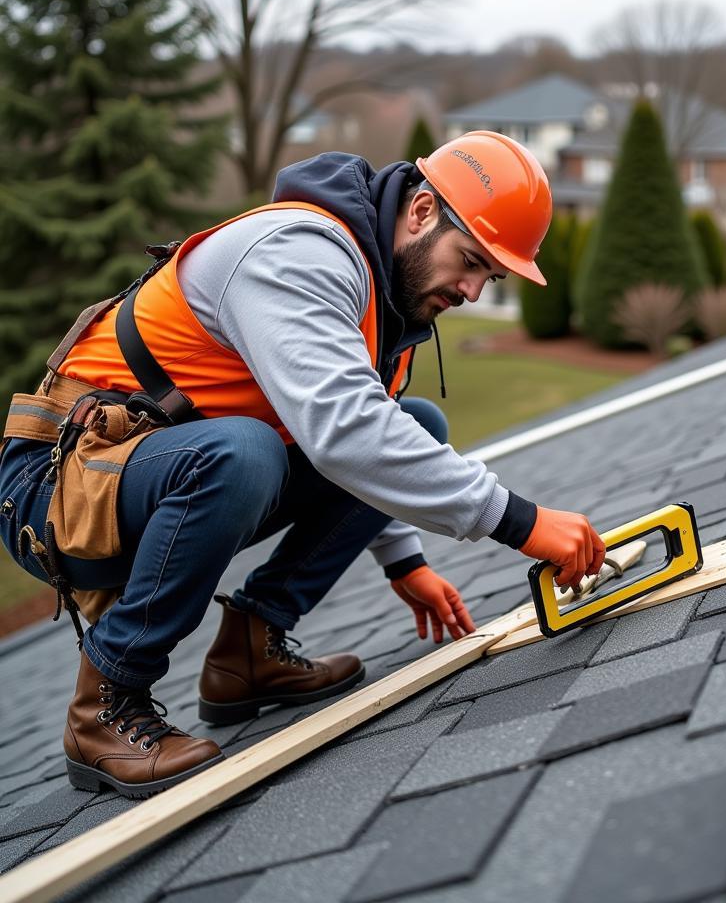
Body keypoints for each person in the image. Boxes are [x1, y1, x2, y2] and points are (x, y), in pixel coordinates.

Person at [0, 131, 606, 799]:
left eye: (488, 277)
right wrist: (520, 522)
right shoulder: (298, 253)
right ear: (423, 211)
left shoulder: (389, 302)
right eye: (470, 261)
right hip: (57, 489)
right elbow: (346, 433)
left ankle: (250, 652)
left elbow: (370, 438)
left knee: (414, 426)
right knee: (246, 452)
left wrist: (404, 561)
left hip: (165, 471)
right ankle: (104, 704)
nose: (470, 289)